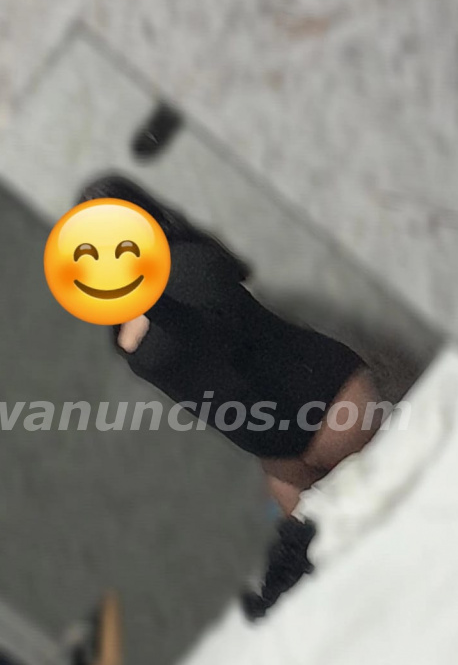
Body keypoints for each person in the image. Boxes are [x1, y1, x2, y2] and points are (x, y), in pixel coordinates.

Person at [80, 175, 382, 519]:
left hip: (328, 403)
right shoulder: (120, 318)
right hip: (277, 453)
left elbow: (209, 334)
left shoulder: (188, 264)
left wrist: (152, 302)